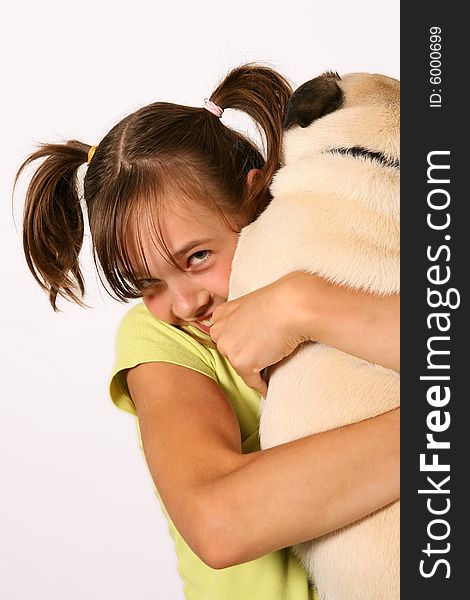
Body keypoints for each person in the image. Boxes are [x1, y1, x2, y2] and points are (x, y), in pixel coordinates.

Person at [17, 64, 399, 599]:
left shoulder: (348, 262)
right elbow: (220, 523)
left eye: (197, 257)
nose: (184, 302)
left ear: (254, 197)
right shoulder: (164, 341)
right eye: (147, 283)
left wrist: (303, 304)